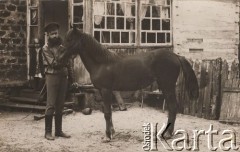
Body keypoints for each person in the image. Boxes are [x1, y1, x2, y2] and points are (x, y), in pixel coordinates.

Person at [42, 22, 74, 140]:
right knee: (51, 104)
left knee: (60, 104)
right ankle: (48, 132)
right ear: (48, 35)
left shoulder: (63, 46)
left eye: (56, 33)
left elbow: (69, 62)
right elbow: (54, 64)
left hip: (63, 76)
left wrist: (72, 77)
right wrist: (64, 60)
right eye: (52, 34)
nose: (55, 36)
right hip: (52, 76)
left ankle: (59, 131)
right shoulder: (45, 48)